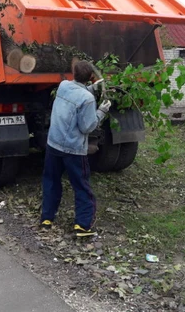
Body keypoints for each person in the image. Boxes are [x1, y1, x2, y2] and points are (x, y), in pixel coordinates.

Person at [40, 60, 111, 237]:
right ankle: (82, 226)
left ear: (74, 74)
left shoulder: (63, 86)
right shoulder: (87, 99)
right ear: (91, 77)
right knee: (81, 186)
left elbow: (76, 92)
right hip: (73, 149)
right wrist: (102, 111)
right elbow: (88, 127)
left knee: (51, 181)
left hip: (54, 144)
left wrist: (93, 88)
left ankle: (47, 218)